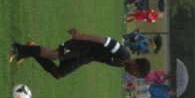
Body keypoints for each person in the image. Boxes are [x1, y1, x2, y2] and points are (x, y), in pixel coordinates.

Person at [10, 28, 151, 79]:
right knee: (55, 55)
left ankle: (31, 49)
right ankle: (19, 49)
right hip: (83, 46)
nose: (133, 75)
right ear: (137, 66)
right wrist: (80, 36)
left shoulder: (121, 64)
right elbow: (103, 40)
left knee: (59, 74)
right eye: (136, 74)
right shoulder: (122, 53)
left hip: (85, 57)